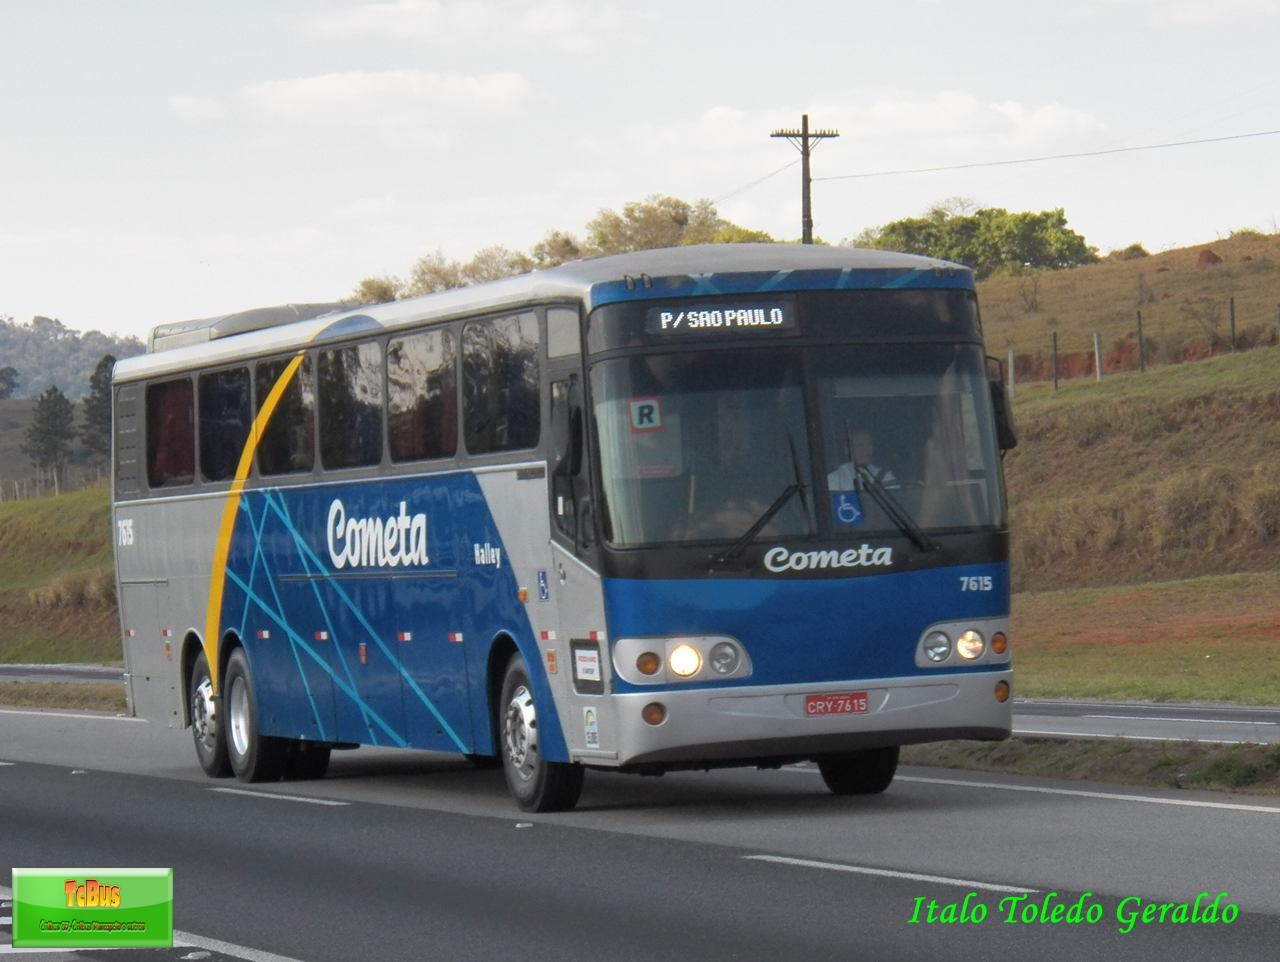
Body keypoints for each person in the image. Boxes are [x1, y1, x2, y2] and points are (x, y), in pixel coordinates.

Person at [828, 428, 897, 491]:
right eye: (860, 445)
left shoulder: (885, 475)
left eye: (869, 444)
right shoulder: (835, 478)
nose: (866, 450)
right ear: (847, 449)